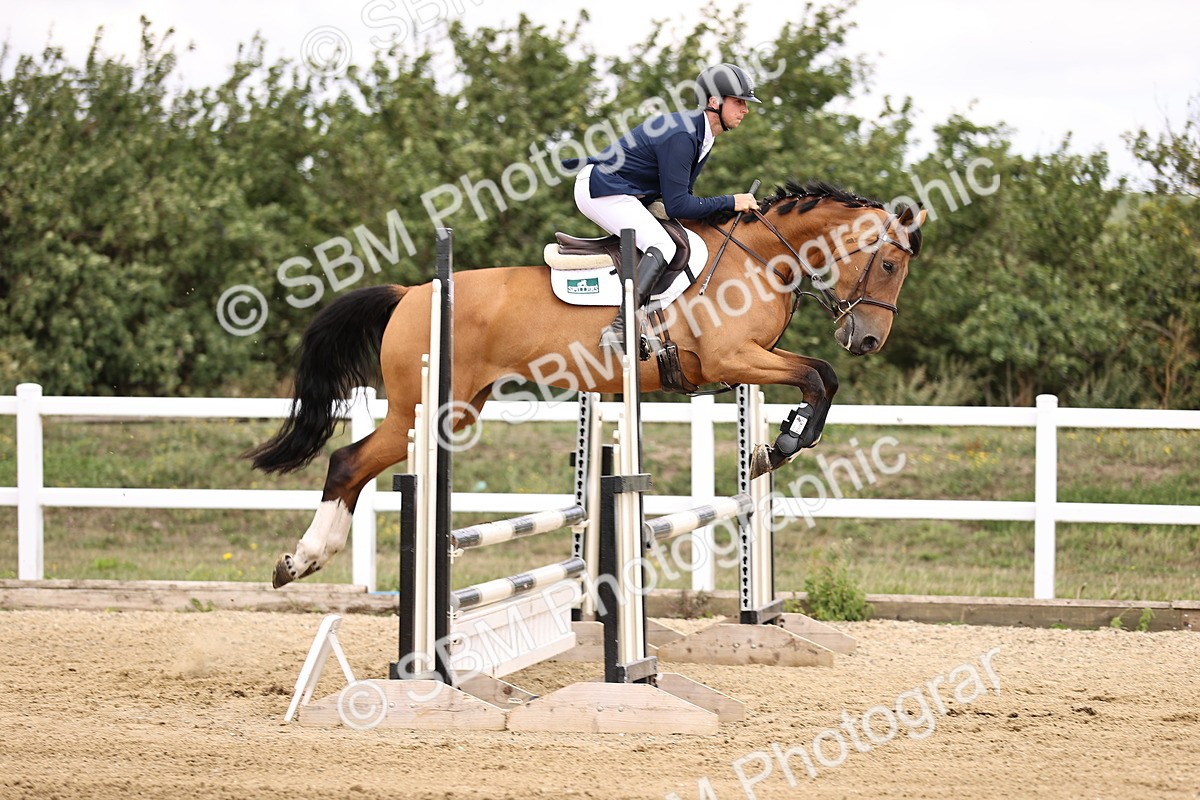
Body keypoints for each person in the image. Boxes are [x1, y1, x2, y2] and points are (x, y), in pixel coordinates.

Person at [571, 63, 762, 350]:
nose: (745, 110)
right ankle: (622, 327)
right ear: (714, 101)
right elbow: (678, 205)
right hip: (602, 189)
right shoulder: (684, 136)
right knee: (663, 245)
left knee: (674, 238)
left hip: (624, 192)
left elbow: (684, 196)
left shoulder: (703, 137)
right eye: (738, 102)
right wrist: (731, 201)